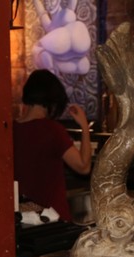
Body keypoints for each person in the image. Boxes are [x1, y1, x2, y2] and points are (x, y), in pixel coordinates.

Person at [13, 69, 91, 221]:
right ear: (53, 102)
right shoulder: (53, 130)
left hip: (23, 219)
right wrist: (84, 127)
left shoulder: (11, 129)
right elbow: (84, 167)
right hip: (53, 220)